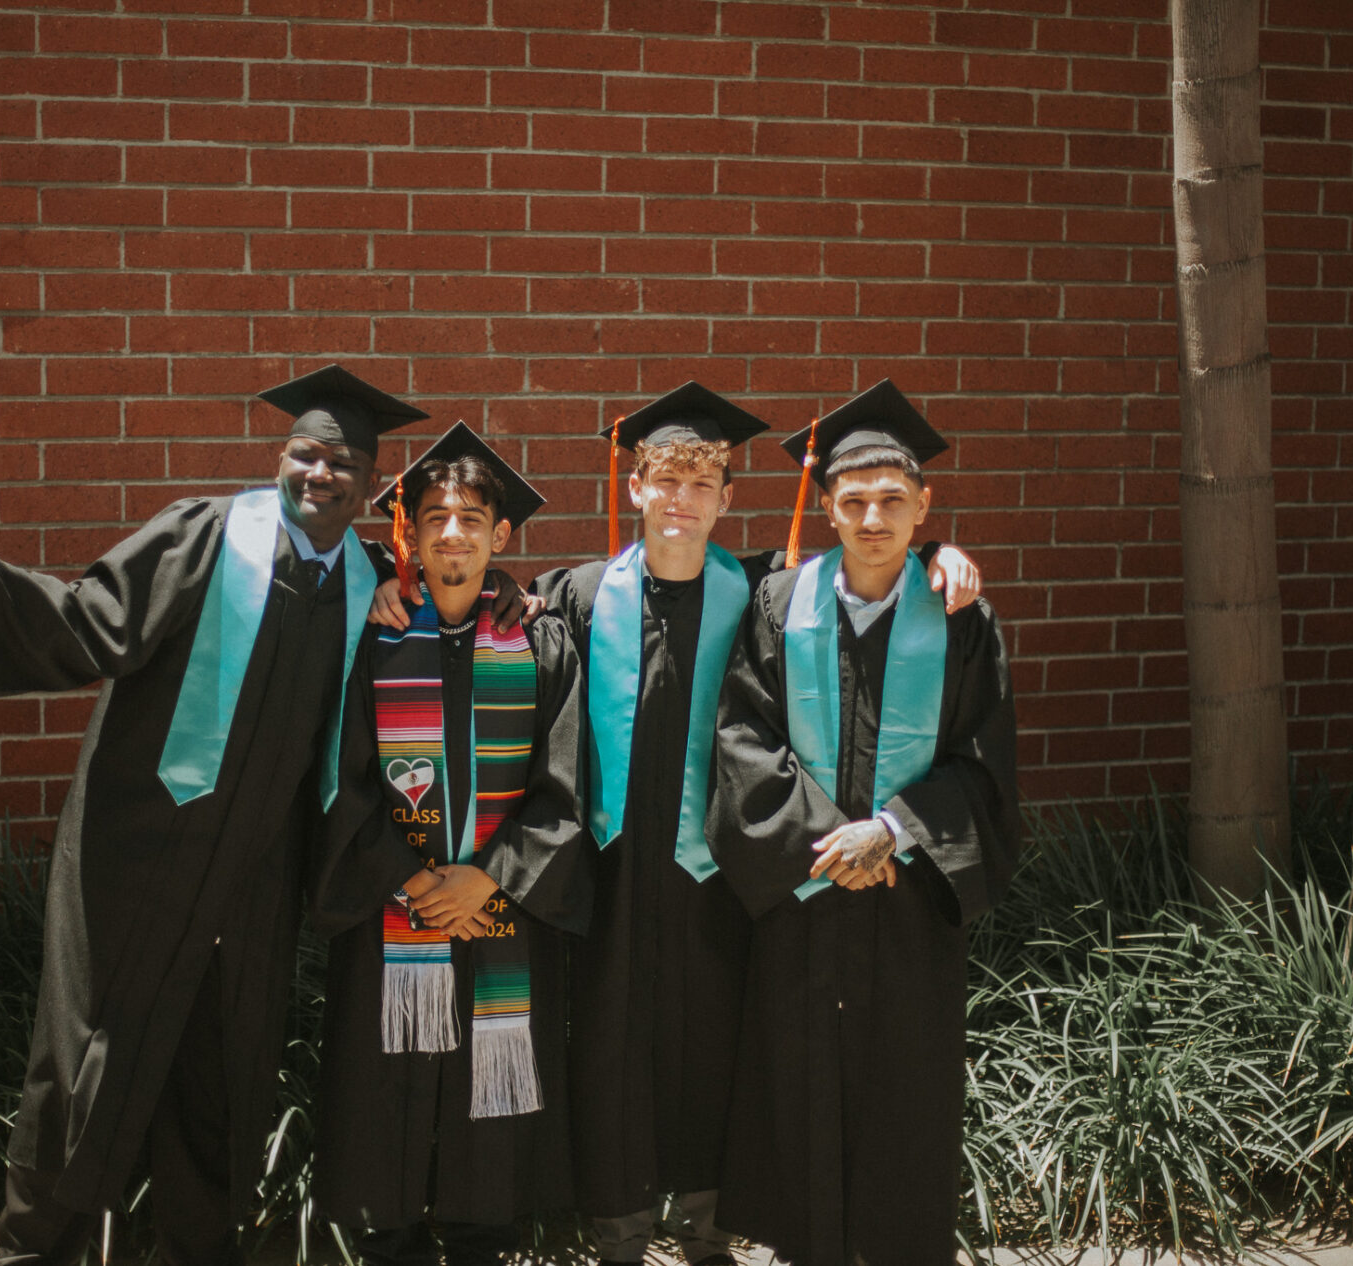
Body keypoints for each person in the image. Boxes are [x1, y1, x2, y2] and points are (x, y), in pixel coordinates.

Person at [0, 365, 463, 1266]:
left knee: (220, 1089)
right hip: (137, 859)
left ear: (371, 486)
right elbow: (91, 619)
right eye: (304, 454)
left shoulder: (370, 588)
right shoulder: (209, 536)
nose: (317, 474)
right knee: (83, 1072)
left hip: (252, 887)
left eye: (340, 464)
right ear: (281, 458)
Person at [532, 382, 983, 1266]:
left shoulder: (762, 594)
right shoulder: (582, 596)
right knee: (612, 1045)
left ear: (727, 499)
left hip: (725, 868)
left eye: (701, 484)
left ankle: (706, 1225)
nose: (680, 500)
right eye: (663, 481)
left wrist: (939, 552)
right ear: (633, 490)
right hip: (617, 870)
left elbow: (869, 576)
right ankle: (616, 1228)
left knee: (719, 1044)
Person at [706, 380, 1019, 1266]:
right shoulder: (780, 606)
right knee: (797, 1090)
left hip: (907, 903)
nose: (872, 517)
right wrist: (830, 843)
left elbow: (984, 763)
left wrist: (893, 831)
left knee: (903, 1096)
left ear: (924, 507)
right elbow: (742, 741)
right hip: (806, 896)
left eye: (892, 500)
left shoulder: (963, 622)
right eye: (853, 501)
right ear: (832, 512)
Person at [307, 421, 589, 1266]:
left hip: (500, 914)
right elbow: (340, 780)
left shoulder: (540, 642)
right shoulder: (375, 640)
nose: (454, 534)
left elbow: (566, 787)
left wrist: (487, 882)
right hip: (391, 913)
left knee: (485, 1127)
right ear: (412, 537)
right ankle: (386, 1241)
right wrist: (410, 878)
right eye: (435, 519)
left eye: (472, 519)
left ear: (500, 536)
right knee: (385, 1096)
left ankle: (477, 1240)